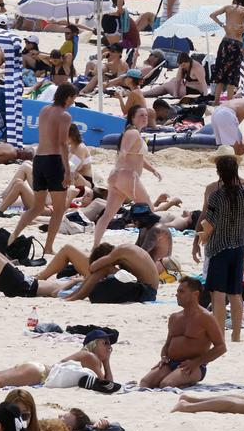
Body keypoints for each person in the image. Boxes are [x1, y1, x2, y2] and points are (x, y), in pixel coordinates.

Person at [0, 330, 116, 392]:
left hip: (37, 369)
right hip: (38, 373)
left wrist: (106, 361)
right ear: (92, 344)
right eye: (105, 343)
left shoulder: (85, 357)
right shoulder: (89, 357)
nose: (108, 347)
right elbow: (107, 385)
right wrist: (106, 362)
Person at [13, 83, 75, 254]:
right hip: (53, 161)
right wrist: (67, 171)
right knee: (59, 208)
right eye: (72, 98)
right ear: (68, 97)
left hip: (39, 159)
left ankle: (13, 236)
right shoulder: (65, 116)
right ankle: (48, 247)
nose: (72, 102)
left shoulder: (44, 110)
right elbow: (62, 143)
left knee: (37, 207)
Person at [197, 155, 244, 341]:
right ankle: (236, 335)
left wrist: (203, 236)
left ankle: (220, 335)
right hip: (239, 247)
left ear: (219, 173)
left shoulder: (217, 196)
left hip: (219, 248)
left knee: (218, 294)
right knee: (236, 293)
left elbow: (210, 224)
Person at [140, 276, 226, 388]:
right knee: (145, 383)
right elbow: (167, 344)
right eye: (177, 291)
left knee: (166, 384)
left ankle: (187, 381)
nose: (176, 295)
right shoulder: (174, 317)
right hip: (170, 363)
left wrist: (197, 362)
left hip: (193, 366)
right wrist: (164, 356)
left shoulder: (205, 317)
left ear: (195, 294)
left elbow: (221, 347)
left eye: (181, 291)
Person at [93, 104, 160, 246]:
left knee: (107, 215)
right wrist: (118, 169)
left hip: (119, 177)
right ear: (132, 118)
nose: (144, 118)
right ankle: (144, 246)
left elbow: (138, 157)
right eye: (141, 115)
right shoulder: (133, 132)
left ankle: (95, 246)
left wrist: (153, 169)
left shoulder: (133, 132)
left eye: (146, 115)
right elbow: (123, 151)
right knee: (149, 211)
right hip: (127, 176)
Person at [209, 0, 244, 99]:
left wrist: (222, 24)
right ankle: (229, 101)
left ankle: (216, 101)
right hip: (237, 42)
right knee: (232, 74)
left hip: (226, 41)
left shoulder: (227, 8)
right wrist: (243, 28)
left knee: (220, 72)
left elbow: (212, 15)